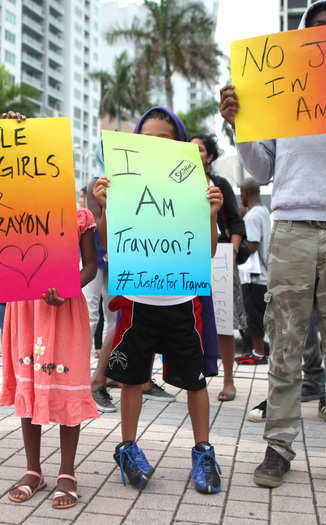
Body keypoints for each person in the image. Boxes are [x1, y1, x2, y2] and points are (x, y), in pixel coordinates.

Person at [219, 0, 326, 495]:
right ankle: (278, 447)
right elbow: (262, 169)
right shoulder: (278, 93)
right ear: (301, 37)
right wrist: (240, 125)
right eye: (317, 30)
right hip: (291, 225)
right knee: (285, 340)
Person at [93, 106, 224, 494]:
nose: (154, 145)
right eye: (145, 138)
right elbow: (105, 241)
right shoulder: (122, 184)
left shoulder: (195, 187)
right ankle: (128, 448)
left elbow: (209, 250)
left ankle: (203, 450)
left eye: (163, 139)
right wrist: (103, 207)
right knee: (132, 380)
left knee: (195, 382)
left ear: (179, 144)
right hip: (137, 302)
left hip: (182, 300)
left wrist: (213, 214)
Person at [0, 191, 99, 509]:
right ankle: (34, 470)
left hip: (65, 310)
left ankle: (67, 473)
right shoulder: (12, 215)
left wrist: (68, 288)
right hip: (25, 312)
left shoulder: (80, 217)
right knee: (30, 384)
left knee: (67, 386)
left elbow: (91, 268)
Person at [190, 134, 247, 402]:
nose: (194, 152)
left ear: (209, 157)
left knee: (223, 322)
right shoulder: (174, 183)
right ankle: (191, 375)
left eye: (199, 149)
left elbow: (236, 224)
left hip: (221, 259)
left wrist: (231, 253)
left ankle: (228, 380)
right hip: (187, 258)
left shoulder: (220, 184)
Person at [84, 142, 118, 412]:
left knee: (113, 315)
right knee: (90, 312)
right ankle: (82, 372)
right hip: (95, 255)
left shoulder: (130, 179)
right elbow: (94, 220)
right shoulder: (96, 181)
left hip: (117, 254)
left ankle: (102, 372)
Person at [236, 178, 270, 365]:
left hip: (253, 275)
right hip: (264, 274)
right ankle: (259, 351)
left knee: (254, 316)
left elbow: (253, 245)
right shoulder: (263, 212)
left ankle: (258, 353)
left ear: (244, 193)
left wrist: (236, 250)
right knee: (260, 316)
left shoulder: (252, 217)